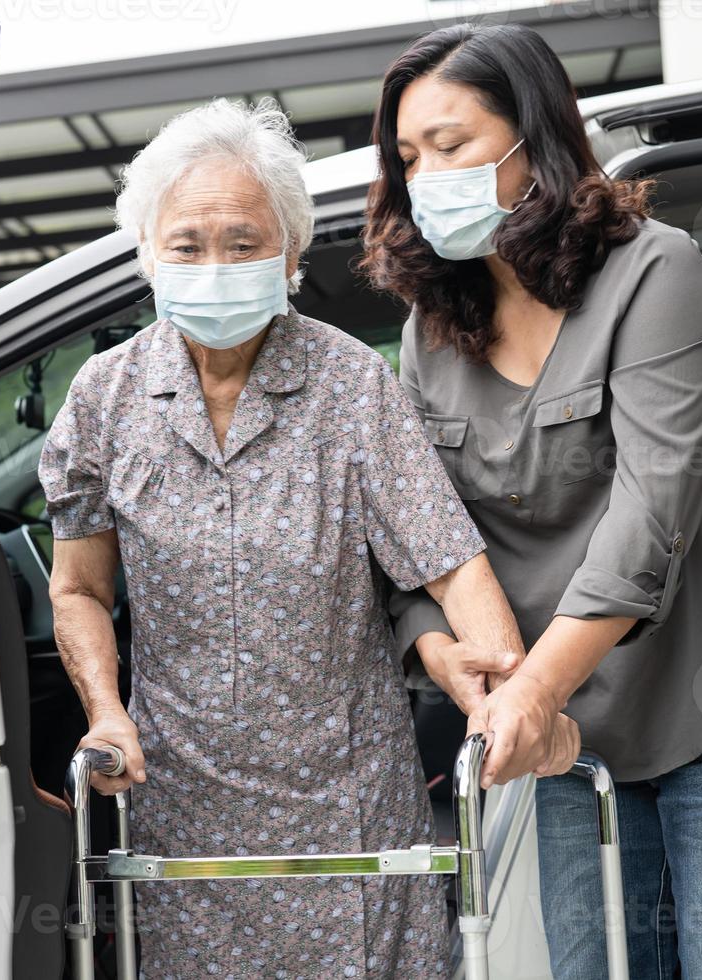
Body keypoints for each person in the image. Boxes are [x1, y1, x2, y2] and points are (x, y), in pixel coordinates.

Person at [39, 97, 578, 979]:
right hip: (182, 807)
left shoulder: (350, 385)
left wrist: (508, 699)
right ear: (147, 253)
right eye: (187, 244)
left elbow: (449, 565)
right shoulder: (104, 399)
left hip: (348, 805)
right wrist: (106, 711)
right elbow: (79, 590)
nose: (216, 263)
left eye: (245, 242)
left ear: (290, 255)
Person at [360, 23, 702, 980]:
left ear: (532, 140)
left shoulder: (654, 270)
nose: (427, 177)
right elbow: (420, 531)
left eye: (452, 146)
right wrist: (442, 650)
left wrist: (533, 690)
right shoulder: (429, 331)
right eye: (409, 158)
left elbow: (649, 514)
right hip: (569, 722)